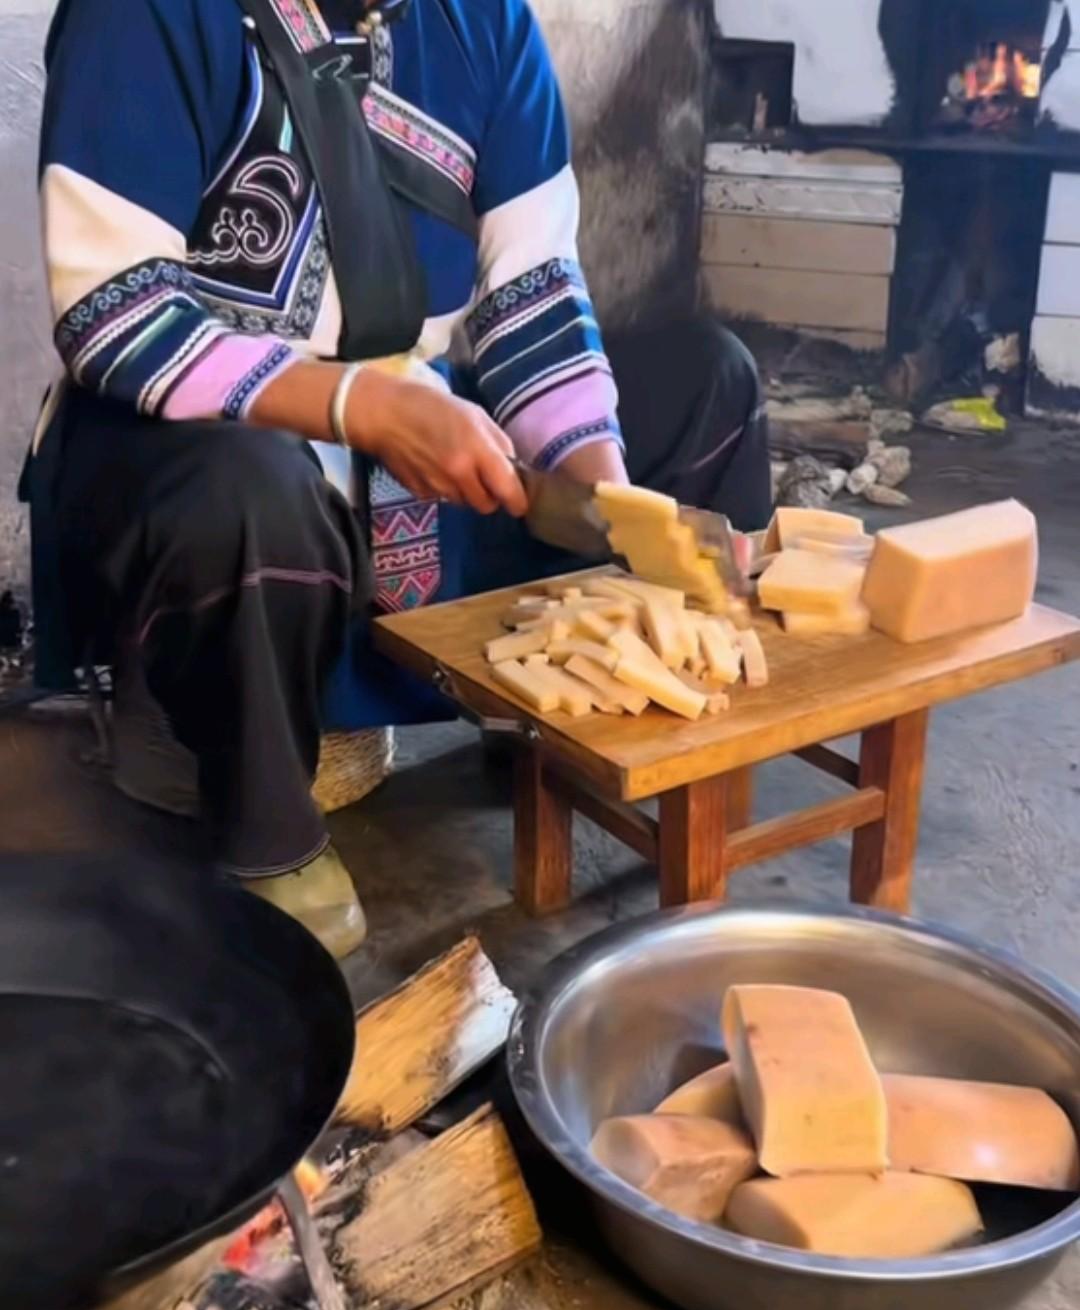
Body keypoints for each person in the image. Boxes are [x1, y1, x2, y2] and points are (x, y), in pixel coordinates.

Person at [27, 0, 771, 960]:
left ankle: (578, 704)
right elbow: (111, 313)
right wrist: (357, 410)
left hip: (405, 417)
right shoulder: (147, 16)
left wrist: (606, 498)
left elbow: (531, 290)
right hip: (193, 438)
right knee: (251, 496)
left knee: (710, 382)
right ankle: (267, 837)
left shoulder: (484, 23)